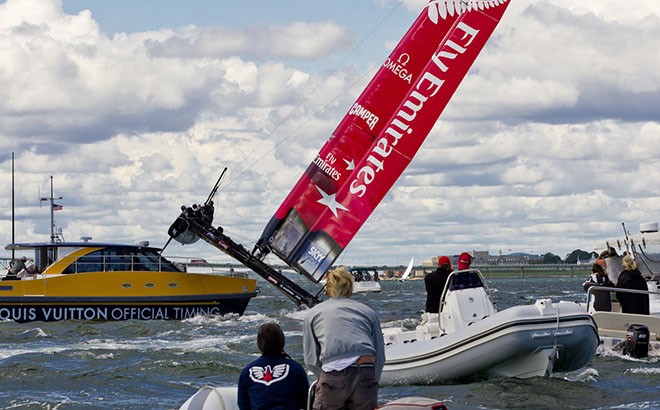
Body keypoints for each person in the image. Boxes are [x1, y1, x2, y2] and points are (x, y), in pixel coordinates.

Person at [303, 267, 385, 410]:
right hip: (365, 371)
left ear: (328, 288)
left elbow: (311, 359)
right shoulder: (368, 312)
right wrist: (372, 383)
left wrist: (323, 378)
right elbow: (380, 356)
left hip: (333, 375)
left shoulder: (313, 314)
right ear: (350, 288)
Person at [238, 322, 309, 410]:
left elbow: (243, 405)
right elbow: (306, 402)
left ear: (259, 343)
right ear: (281, 341)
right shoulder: (295, 368)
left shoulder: (247, 371)